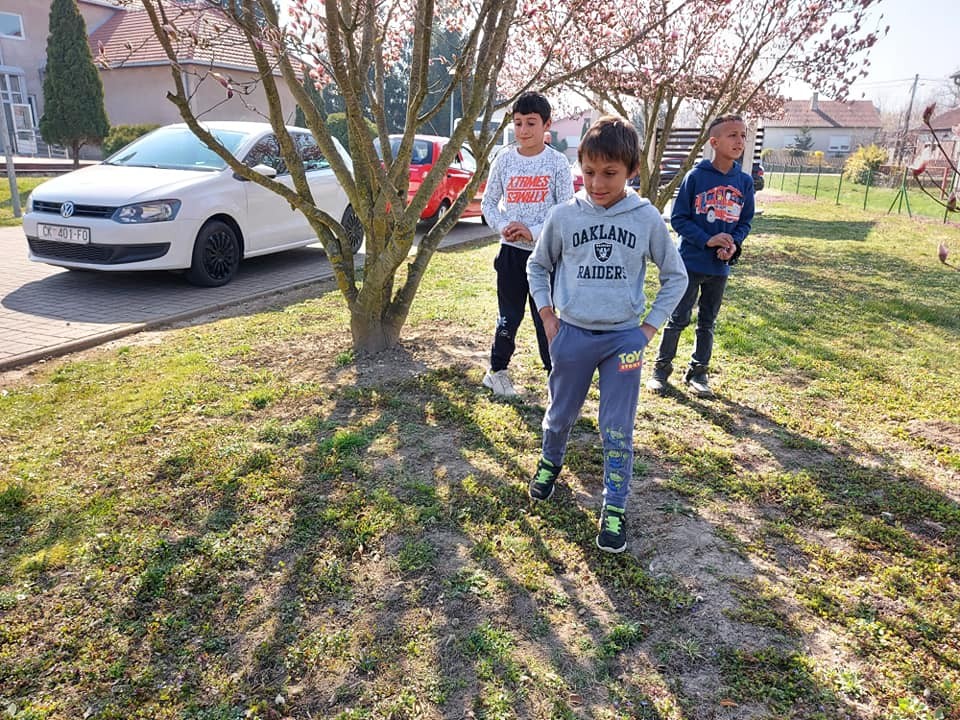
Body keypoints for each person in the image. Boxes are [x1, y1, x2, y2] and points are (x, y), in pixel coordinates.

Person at [526, 115, 688, 553]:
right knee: (559, 414)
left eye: (610, 174)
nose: (598, 183)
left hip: (623, 343)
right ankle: (549, 461)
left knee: (617, 427)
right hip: (572, 335)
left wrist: (648, 329)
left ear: (631, 171)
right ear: (580, 166)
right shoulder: (564, 216)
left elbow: (676, 276)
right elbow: (537, 266)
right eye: (590, 172)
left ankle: (614, 503)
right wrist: (548, 317)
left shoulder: (646, 218)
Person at [646, 114, 755, 398]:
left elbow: (745, 222)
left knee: (707, 322)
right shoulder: (695, 177)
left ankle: (698, 372)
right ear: (714, 142)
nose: (739, 141)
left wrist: (733, 243)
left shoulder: (744, 182)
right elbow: (679, 219)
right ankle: (661, 370)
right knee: (678, 318)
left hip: (720, 268)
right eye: (732, 135)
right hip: (690, 264)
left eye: (743, 135)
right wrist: (708, 240)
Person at [481, 92, 574, 397]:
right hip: (509, 255)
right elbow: (489, 203)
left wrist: (532, 231)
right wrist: (504, 227)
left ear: (546, 124)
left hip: (545, 256)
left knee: (544, 317)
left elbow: (565, 208)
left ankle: (555, 378)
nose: (523, 130)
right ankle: (497, 371)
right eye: (518, 123)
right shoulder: (504, 159)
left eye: (531, 123)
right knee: (509, 314)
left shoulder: (557, 162)